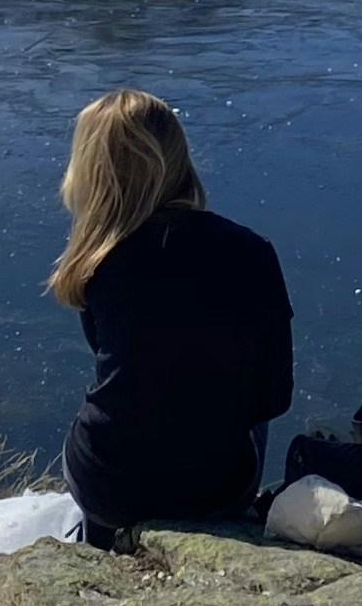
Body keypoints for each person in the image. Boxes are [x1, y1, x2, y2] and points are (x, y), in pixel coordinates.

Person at [51, 88, 292, 541]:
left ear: (90, 173)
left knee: (115, 415)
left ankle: (101, 545)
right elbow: (274, 397)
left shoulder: (98, 262)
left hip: (108, 481)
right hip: (215, 487)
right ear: (179, 158)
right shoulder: (251, 251)